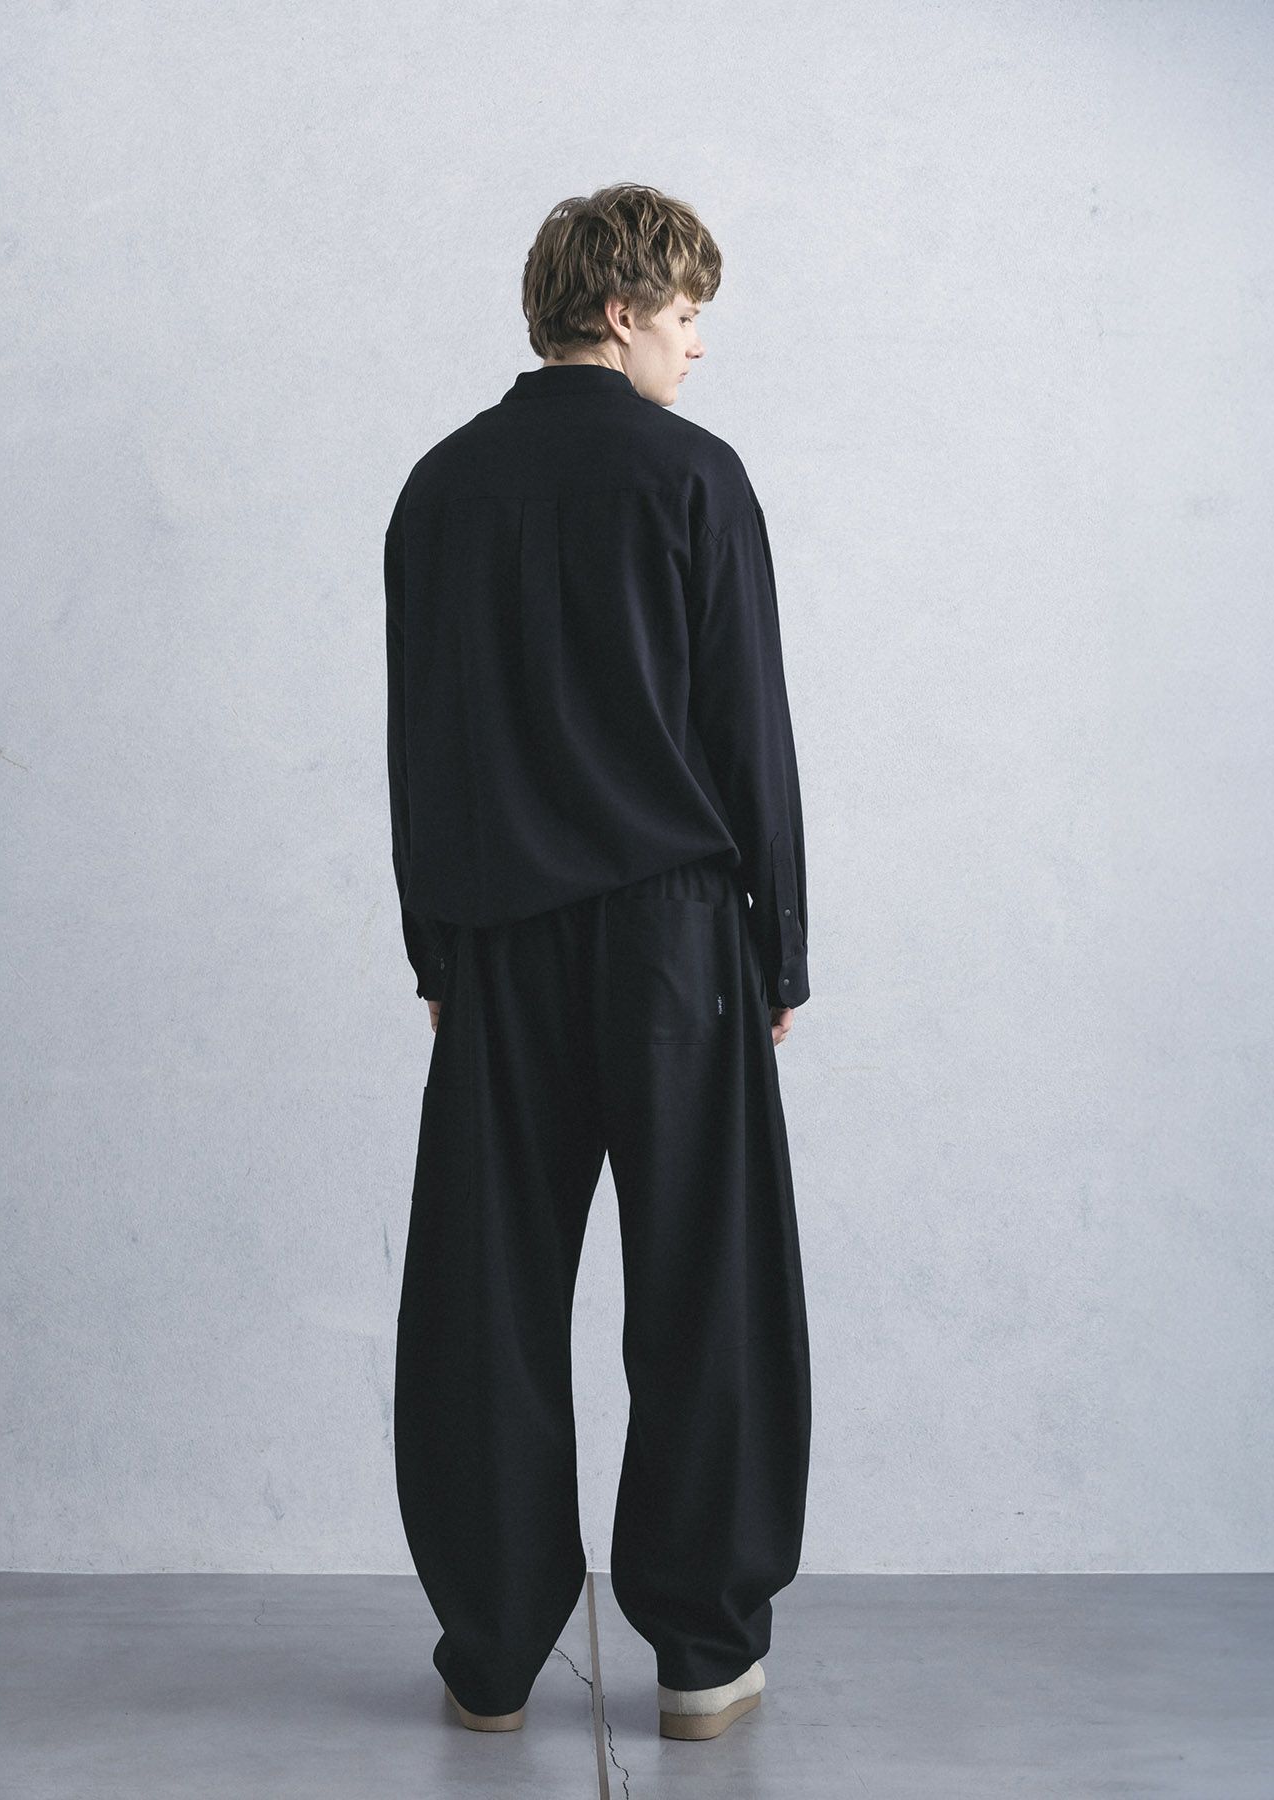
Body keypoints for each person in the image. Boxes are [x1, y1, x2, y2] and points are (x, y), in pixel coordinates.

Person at [385, 182, 813, 1744]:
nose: (697, 348)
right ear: (622, 310)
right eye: (687, 316)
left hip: (498, 941)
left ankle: (493, 1653)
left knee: (484, 1298)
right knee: (707, 1290)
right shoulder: (695, 479)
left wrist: (439, 944)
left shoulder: (441, 488)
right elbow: (746, 728)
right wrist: (780, 945)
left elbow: (420, 739)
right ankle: (702, 1652)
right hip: (674, 939)